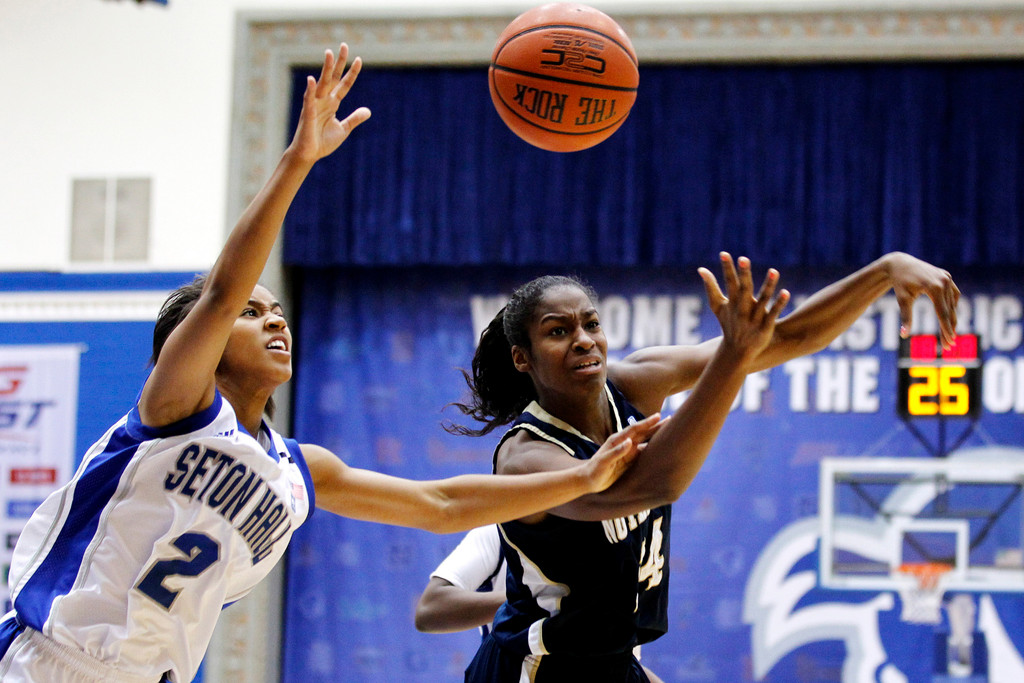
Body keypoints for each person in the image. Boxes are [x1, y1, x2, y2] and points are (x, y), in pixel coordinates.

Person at [0, 45, 662, 683]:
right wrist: (297, 162)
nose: (274, 319)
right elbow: (225, 286)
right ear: (198, 341)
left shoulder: (297, 469)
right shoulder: (170, 414)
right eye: (252, 314)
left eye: (277, 311)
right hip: (45, 661)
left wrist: (581, 477)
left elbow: (440, 502)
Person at [450, 254, 959, 682]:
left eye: (591, 323)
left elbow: (789, 337)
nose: (584, 340)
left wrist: (884, 270)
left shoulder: (634, 382)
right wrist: (734, 356)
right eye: (558, 332)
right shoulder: (525, 458)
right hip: (537, 667)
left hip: (607, 657)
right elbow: (650, 486)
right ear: (523, 358)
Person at [415, 526, 666, 683]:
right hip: (514, 669)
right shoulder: (500, 531)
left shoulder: (627, 541)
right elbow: (430, 609)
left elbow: (624, 658)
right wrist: (535, 601)